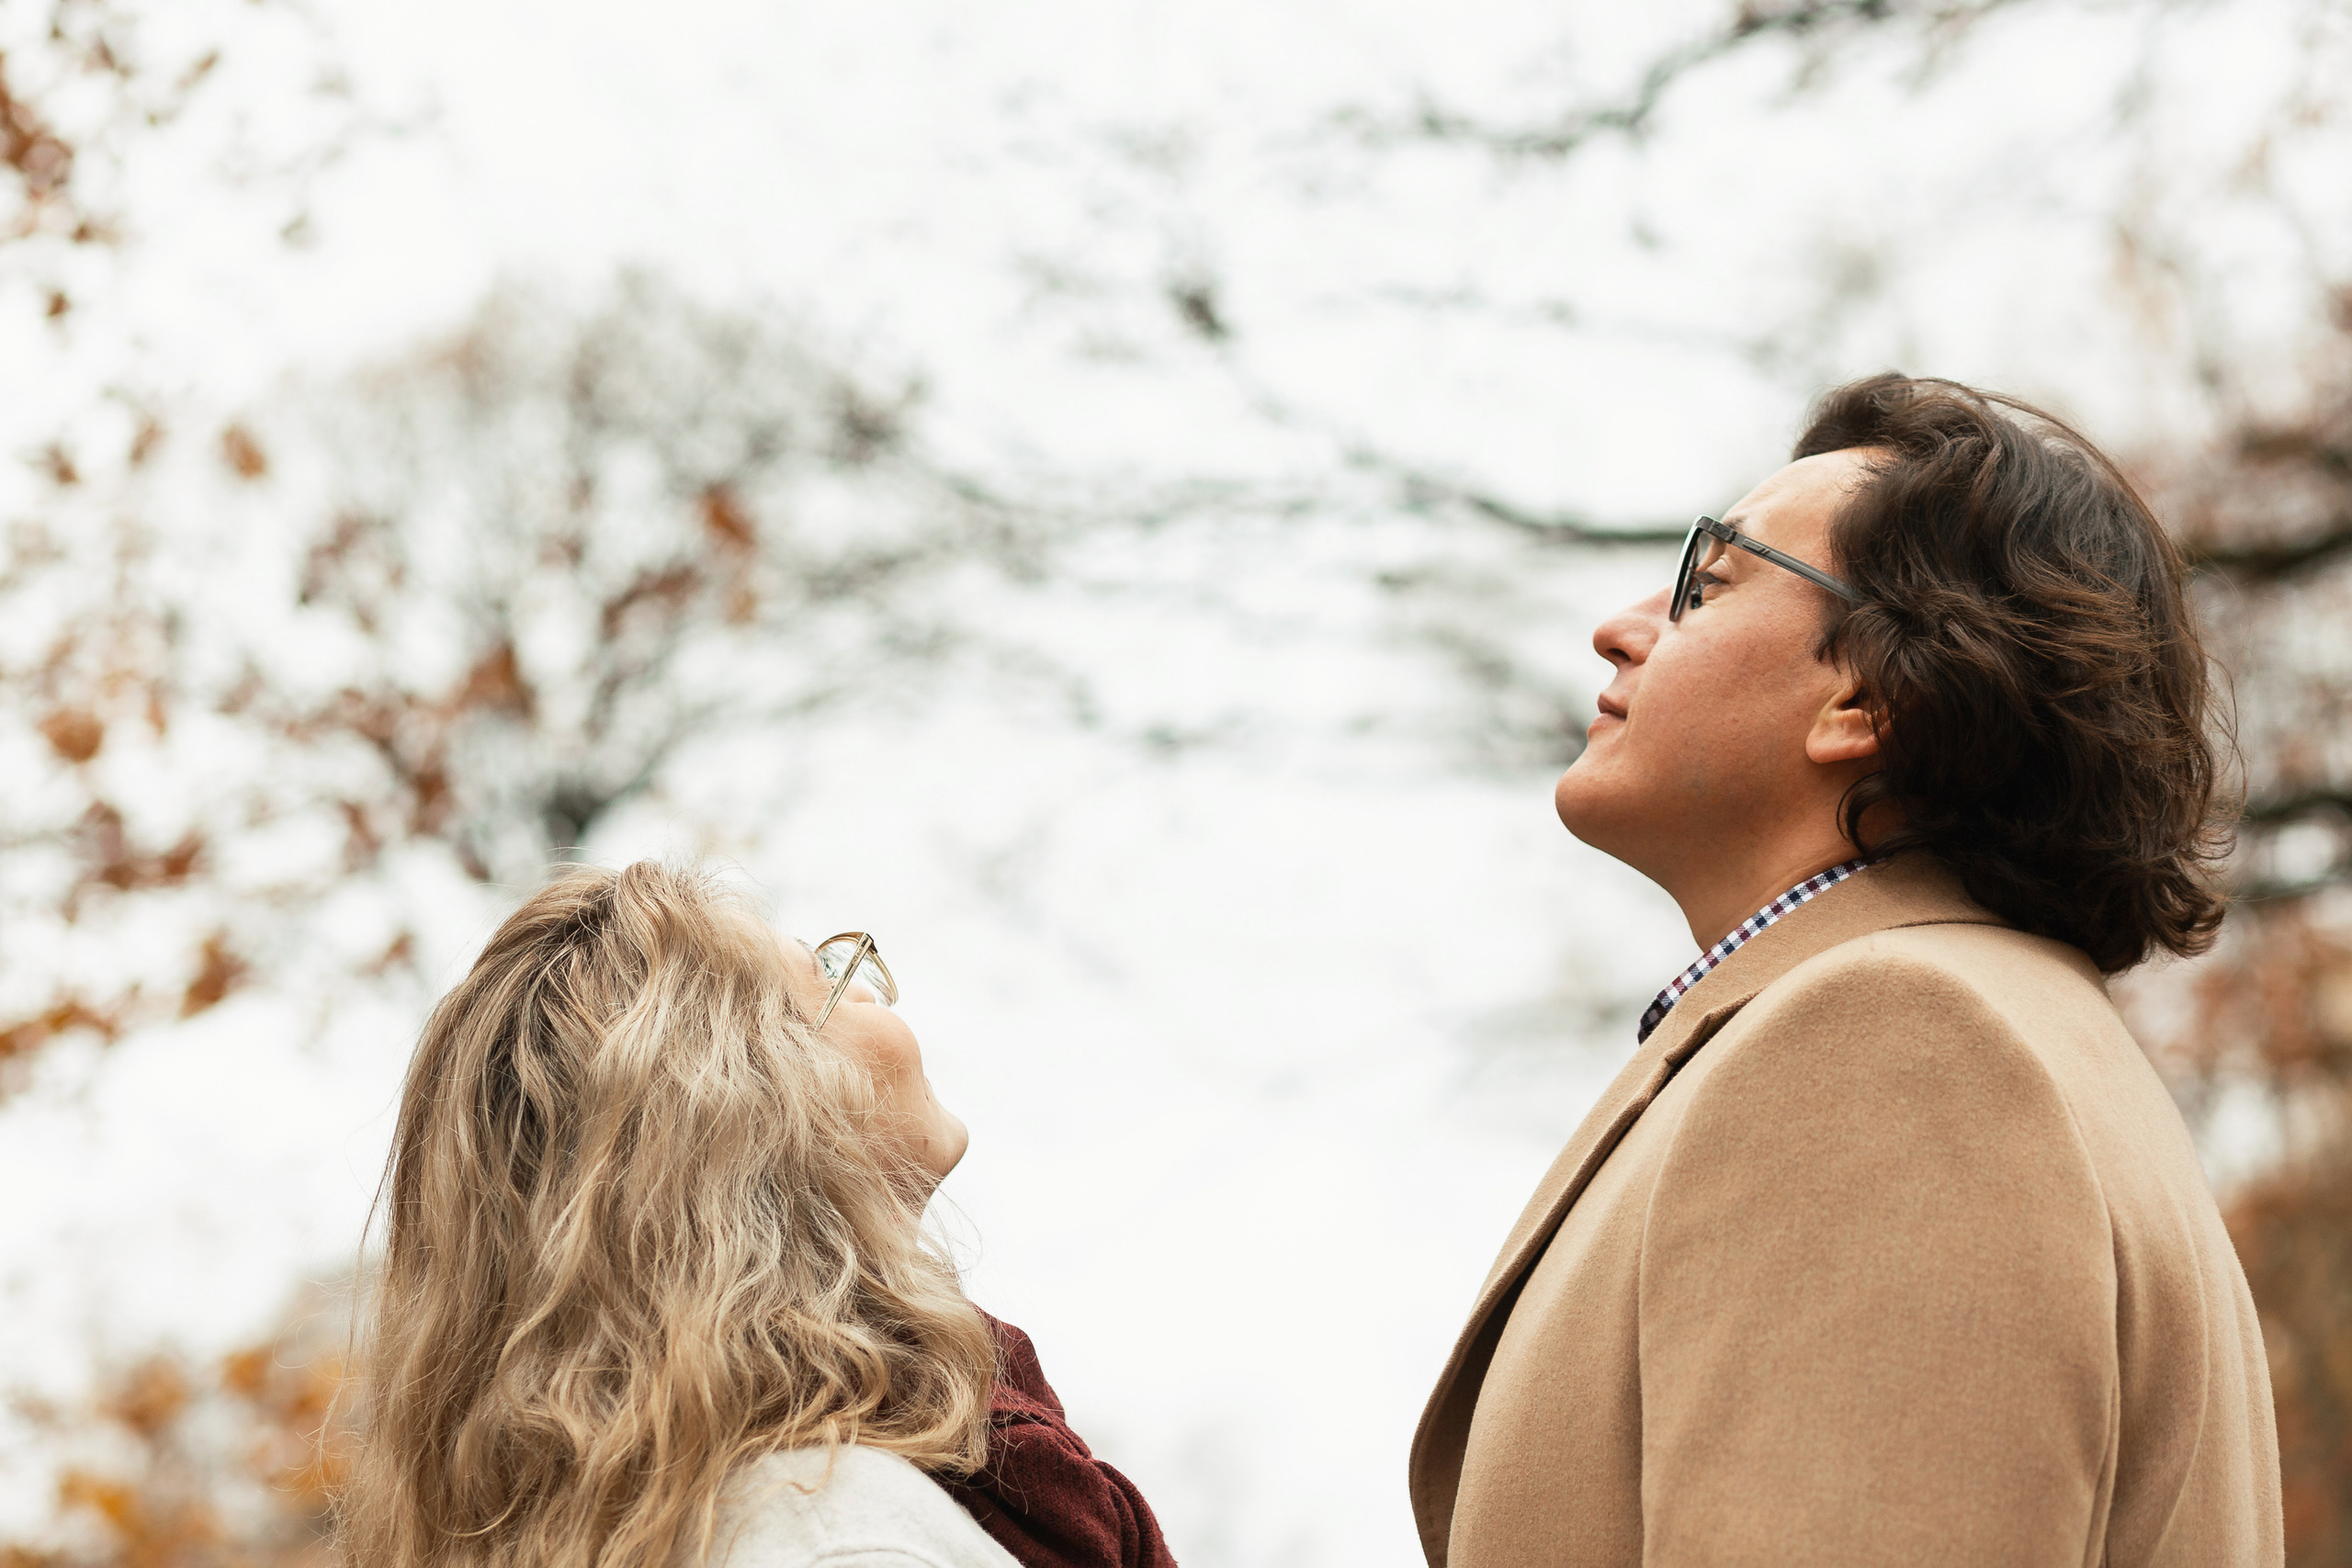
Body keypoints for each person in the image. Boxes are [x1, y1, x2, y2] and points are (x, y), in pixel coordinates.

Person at [1408, 374, 2284, 1566]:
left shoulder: (1895, 1050)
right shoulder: (2003, 1043)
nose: (1621, 626)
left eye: (1708, 584)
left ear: (1867, 694)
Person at [342, 862, 1176, 1568]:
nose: (875, 996)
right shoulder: (839, 1532)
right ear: (754, 1107)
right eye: (829, 978)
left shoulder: (724, 1515)